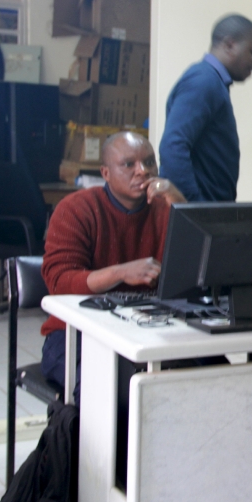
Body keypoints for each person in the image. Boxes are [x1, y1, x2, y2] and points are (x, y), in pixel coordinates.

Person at [40, 132, 186, 402]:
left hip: (147, 328)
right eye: (128, 164)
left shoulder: (166, 207)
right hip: (74, 334)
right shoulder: (76, 209)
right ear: (105, 173)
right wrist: (121, 272)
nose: (142, 171)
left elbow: (196, 266)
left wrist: (180, 204)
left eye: (149, 163)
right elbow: (59, 283)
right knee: (114, 388)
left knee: (213, 374)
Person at [159, 14, 252, 201]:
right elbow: (173, 145)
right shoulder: (204, 81)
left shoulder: (213, 82)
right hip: (199, 216)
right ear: (229, 45)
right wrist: (193, 207)